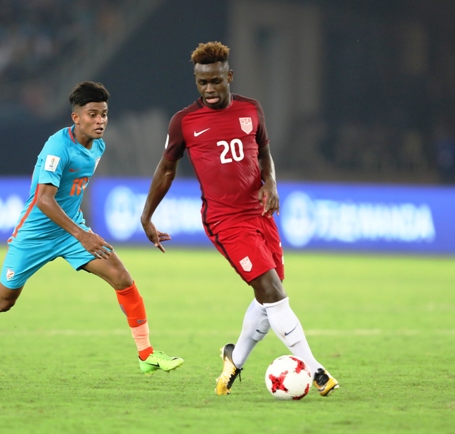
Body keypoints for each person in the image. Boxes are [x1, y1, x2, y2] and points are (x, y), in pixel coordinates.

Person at [0, 81, 183, 374]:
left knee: (122, 278)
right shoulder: (57, 147)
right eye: (92, 114)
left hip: (70, 230)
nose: (100, 121)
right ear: (76, 117)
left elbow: (72, 190)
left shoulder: (98, 145)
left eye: (104, 114)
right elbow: (44, 199)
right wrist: (83, 235)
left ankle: (146, 354)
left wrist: (78, 231)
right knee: (3, 302)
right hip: (36, 233)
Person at [140, 42, 339, 396]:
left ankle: (234, 359)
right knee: (273, 292)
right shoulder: (184, 122)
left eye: (215, 81)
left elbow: (264, 152)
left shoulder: (251, 110)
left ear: (229, 76)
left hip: (260, 213)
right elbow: (166, 169)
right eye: (202, 82)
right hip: (225, 220)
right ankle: (316, 370)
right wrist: (147, 216)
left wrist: (271, 183)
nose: (209, 89)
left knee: (268, 296)